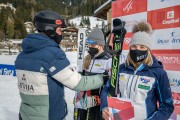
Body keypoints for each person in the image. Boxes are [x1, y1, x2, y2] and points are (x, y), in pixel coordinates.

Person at [15, 10, 105, 120]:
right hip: (48, 116)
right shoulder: (51, 54)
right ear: (49, 30)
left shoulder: (23, 54)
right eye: (59, 30)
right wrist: (101, 79)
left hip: (26, 114)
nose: (61, 33)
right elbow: (78, 83)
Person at [100, 21, 174, 120]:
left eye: (142, 47)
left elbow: (167, 106)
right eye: (134, 46)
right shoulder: (122, 69)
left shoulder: (158, 73)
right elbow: (107, 89)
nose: (137, 49)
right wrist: (104, 107)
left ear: (148, 49)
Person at [74, 28, 112, 120]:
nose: (90, 47)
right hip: (84, 97)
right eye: (89, 44)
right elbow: (80, 76)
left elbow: (110, 84)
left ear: (101, 45)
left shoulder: (108, 60)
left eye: (93, 44)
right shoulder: (87, 58)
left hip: (97, 100)